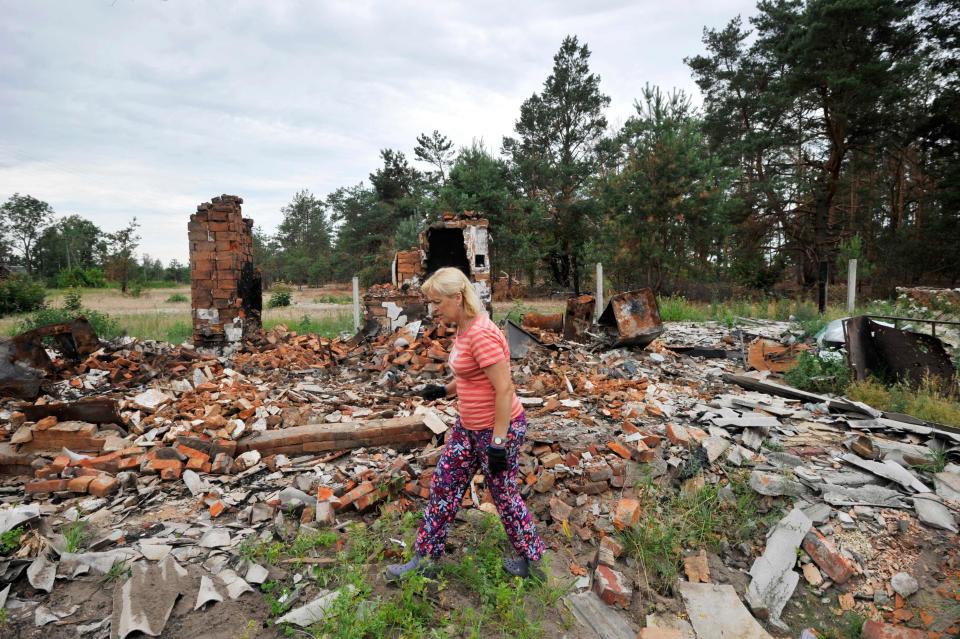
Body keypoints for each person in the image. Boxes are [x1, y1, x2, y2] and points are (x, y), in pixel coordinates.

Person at [385, 267, 546, 581]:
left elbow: (504, 388)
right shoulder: (464, 326)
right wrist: (444, 390)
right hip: (468, 428)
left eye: (438, 302)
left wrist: (499, 442)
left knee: (503, 495)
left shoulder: (482, 333)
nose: (434, 310)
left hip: (497, 429)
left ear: (457, 298)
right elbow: (473, 374)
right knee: (444, 486)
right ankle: (425, 559)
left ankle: (532, 562)